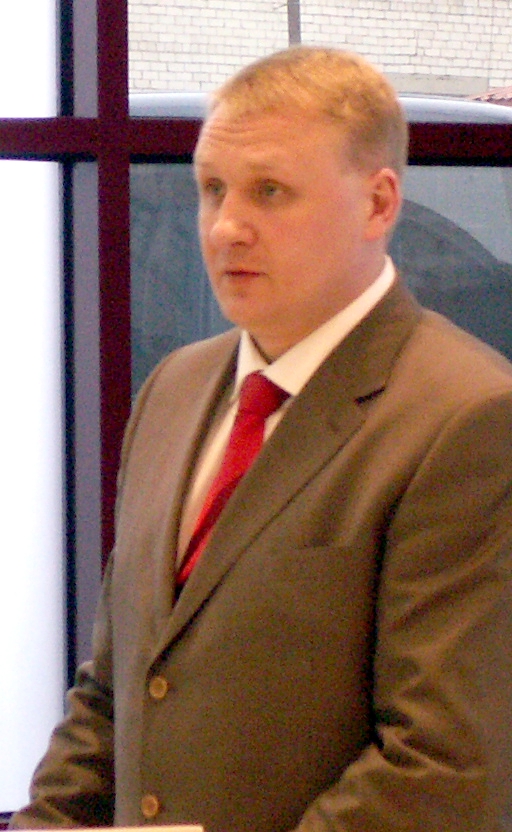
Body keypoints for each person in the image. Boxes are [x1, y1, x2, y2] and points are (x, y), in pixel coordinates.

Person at [11, 46, 512, 832]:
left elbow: (442, 768)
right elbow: (114, 691)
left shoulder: (468, 417)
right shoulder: (173, 390)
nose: (225, 227)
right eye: (212, 189)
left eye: (270, 191)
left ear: (379, 204)